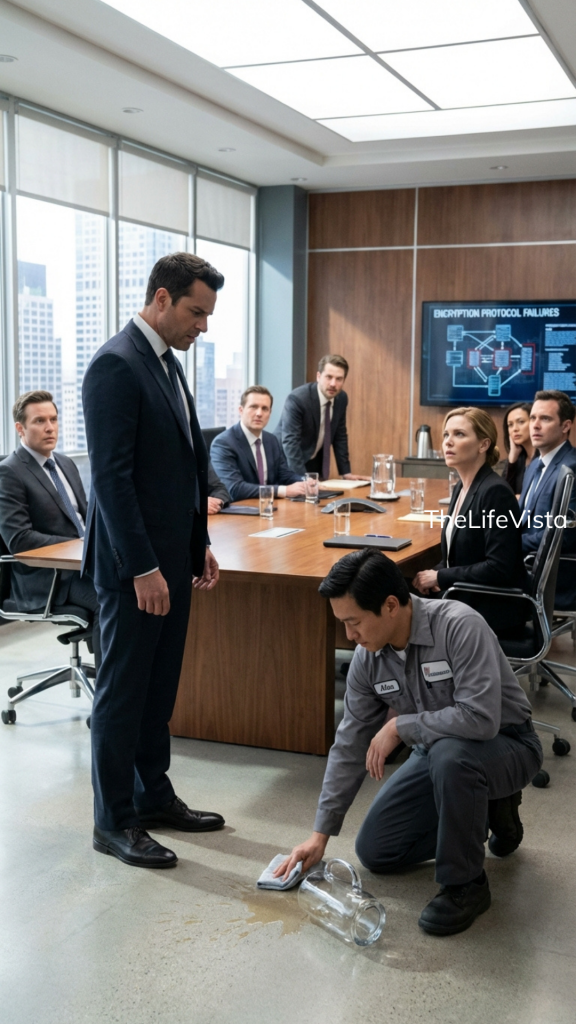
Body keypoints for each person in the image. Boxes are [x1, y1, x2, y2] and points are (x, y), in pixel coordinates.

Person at [276, 550, 542, 935]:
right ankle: (487, 810)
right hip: (436, 753)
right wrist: (320, 836)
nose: (349, 636)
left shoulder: (460, 626)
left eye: (354, 622)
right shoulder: (368, 658)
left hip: (508, 743)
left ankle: (465, 884)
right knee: (377, 850)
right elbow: (350, 742)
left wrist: (401, 726)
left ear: (390, 606)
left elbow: (481, 719)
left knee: (452, 756)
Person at [82, 252, 225, 870]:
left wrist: (199, 543)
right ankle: (114, 822)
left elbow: (181, 465)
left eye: (208, 315)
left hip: (173, 560)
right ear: (161, 299)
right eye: (196, 312)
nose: (203, 326)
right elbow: (112, 481)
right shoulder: (116, 364)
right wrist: (142, 567)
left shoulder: (166, 362)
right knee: (123, 695)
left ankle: (152, 796)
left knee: (158, 690)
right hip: (133, 569)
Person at [0, 390, 100, 669]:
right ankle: (111, 691)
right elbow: (19, 540)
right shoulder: (9, 472)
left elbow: (86, 520)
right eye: (39, 421)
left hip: (84, 565)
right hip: (48, 578)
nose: (49, 427)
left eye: (53, 419)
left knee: (138, 584)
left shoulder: (66, 463)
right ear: (20, 428)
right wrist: (79, 547)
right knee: (110, 600)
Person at [412, 407, 527, 635]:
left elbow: (498, 568)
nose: (448, 442)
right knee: (397, 589)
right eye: (446, 434)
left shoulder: (495, 492)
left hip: (492, 607)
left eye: (459, 434)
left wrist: (440, 576)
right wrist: (432, 574)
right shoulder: (461, 488)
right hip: (467, 596)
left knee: (395, 604)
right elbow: (458, 556)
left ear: (483, 445)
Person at [519, 390, 576, 610]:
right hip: (527, 563)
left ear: (565, 426)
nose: (534, 425)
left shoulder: (571, 468)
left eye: (545, 419)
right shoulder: (535, 464)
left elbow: (565, 535)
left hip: (552, 577)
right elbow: (522, 518)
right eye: (532, 418)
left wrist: (511, 542)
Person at [274, 354, 368, 480]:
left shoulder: (341, 398)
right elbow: (290, 442)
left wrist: (346, 472)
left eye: (339, 379)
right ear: (318, 376)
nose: (333, 384)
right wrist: (303, 479)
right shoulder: (298, 399)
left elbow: (340, 435)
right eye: (329, 377)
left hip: (311, 461)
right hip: (284, 462)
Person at [210, 386, 307, 501]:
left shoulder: (271, 440)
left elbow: (285, 474)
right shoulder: (224, 443)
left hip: (270, 506)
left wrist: (306, 482)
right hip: (241, 508)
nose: (259, 413)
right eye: (253, 407)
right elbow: (235, 489)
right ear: (241, 410)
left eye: (265, 409)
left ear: (270, 413)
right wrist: (284, 491)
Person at [501, 401, 535, 496]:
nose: (515, 429)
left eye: (521, 422)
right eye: (510, 425)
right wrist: (512, 459)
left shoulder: (544, 457)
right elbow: (501, 494)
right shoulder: (519, 459)